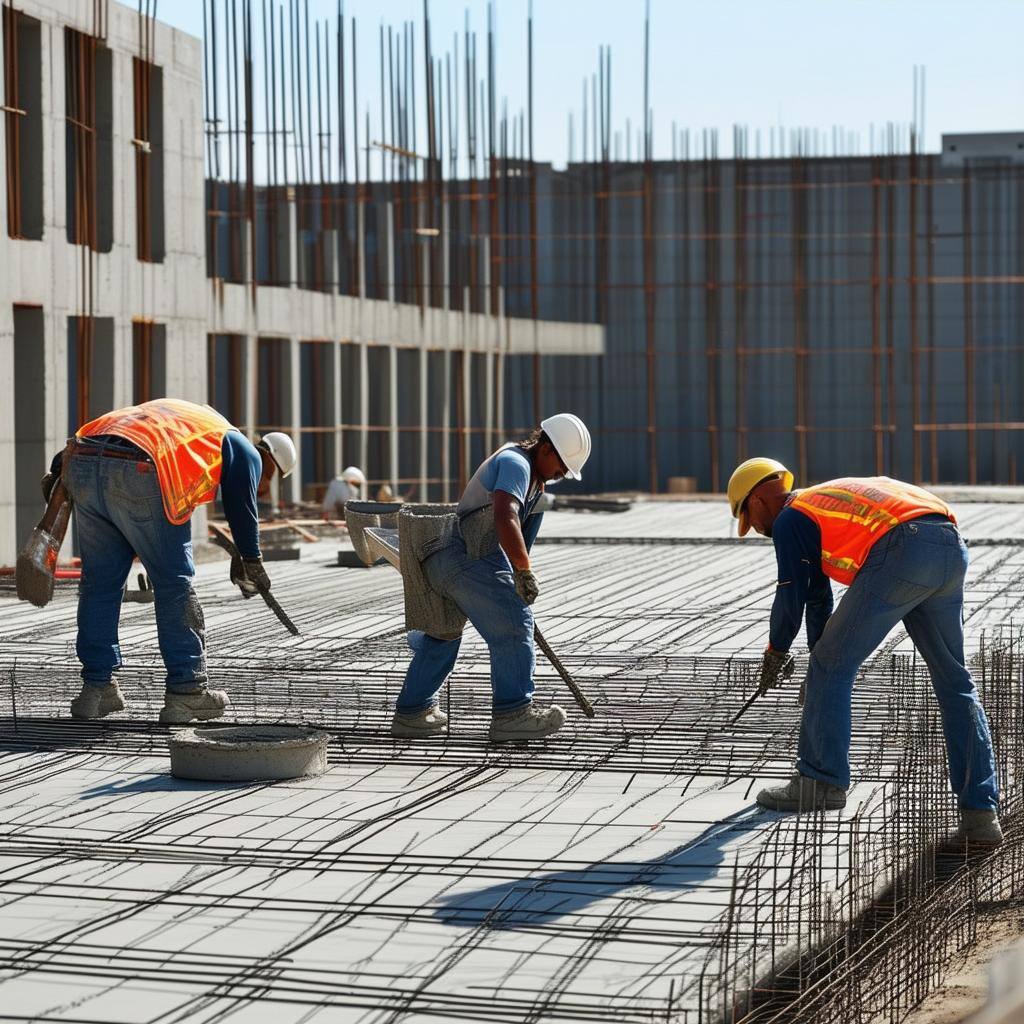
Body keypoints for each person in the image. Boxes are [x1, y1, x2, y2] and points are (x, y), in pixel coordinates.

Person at [727, 459, 1001, 845]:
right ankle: (980, 815)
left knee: (831, 664)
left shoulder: (791, 517)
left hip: (901, 549)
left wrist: (776, 651)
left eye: (748, 519)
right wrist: (818, 665)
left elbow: (789, 593)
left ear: (757, 500)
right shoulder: (821, 505)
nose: (755, 529)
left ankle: (820, 780)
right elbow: (815, 597)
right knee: (955, 681)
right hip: (948, 545)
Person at [61, 398, 296, 724]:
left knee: (99, 583)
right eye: (270, 482)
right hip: (141, 465)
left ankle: (96, 689)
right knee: (173, 583)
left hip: (86, 459)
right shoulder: (243, 448)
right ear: (271, 463)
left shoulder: (201, 429)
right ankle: (187, 692)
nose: (266, 491)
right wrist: (252, 558)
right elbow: (242, 505)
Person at [392, 413, 591, 742]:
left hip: (443, 558)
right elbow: (504, 514)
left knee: (443, 635)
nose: (561, 475)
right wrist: (523, 574)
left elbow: (519, 540)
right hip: (469, 554)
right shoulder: (516, 463)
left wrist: (518, 576)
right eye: (562, 467)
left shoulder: (534, 487)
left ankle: (413, 713)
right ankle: (513, 714)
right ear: (547, 449)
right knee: (514, 626)